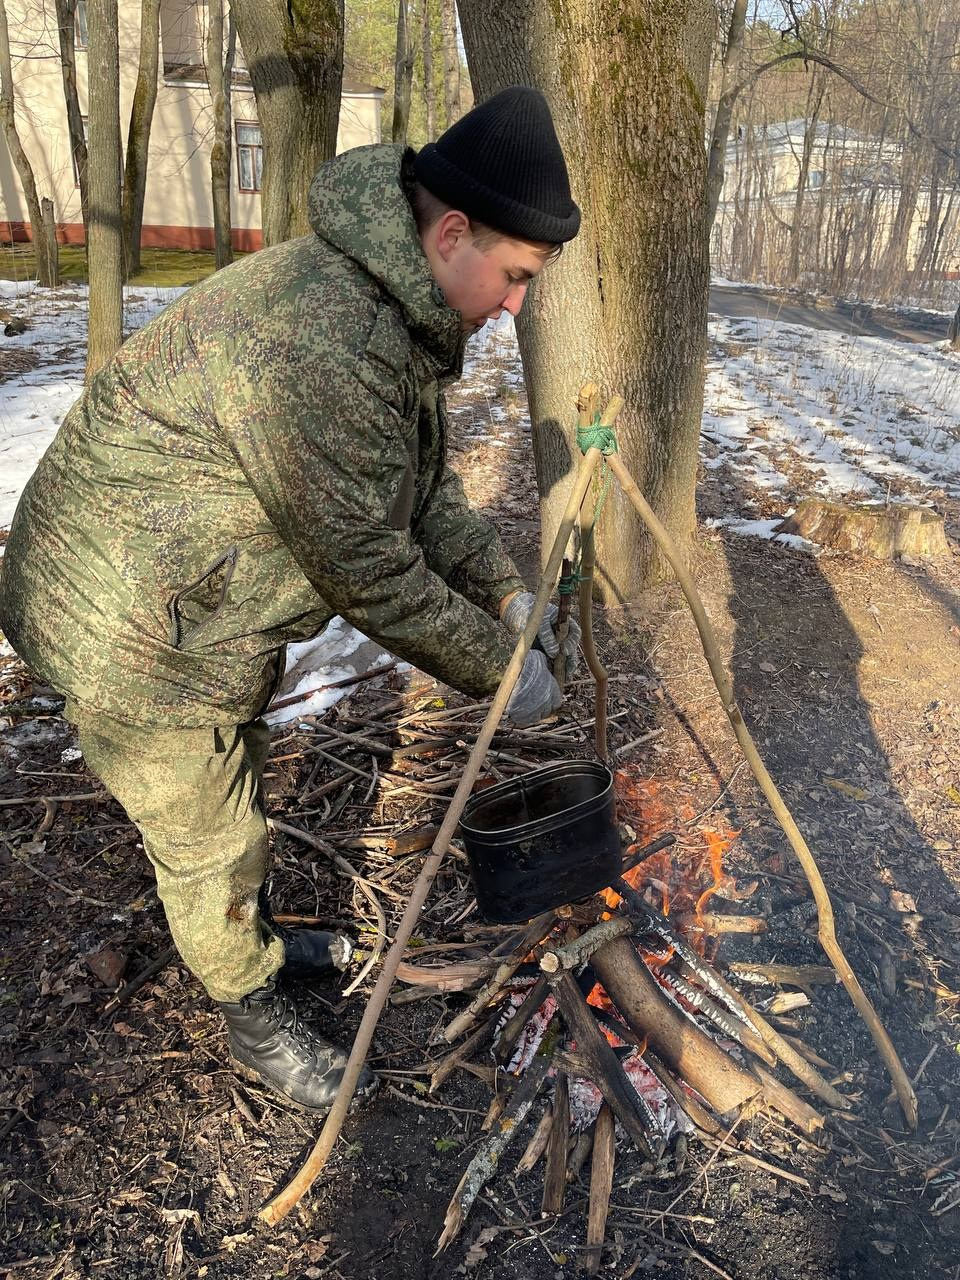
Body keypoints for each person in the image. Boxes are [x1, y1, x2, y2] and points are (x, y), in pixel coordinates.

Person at [0, 86, 581, 1115]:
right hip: (125, 613)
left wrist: (502, 591)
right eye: (518, 276)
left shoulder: (387, 309)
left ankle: (249, 936)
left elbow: (422, 487)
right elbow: (365, 563)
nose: (517, 303)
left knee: (237, 778)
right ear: (452, 233)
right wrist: (503, 670)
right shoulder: (325, 337)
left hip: (192, 588)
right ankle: (251, 1008)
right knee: (208, 826)